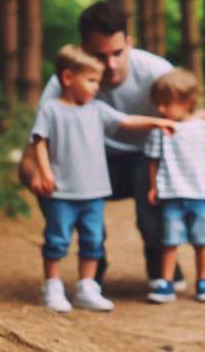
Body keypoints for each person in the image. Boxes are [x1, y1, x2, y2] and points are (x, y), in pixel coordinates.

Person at [19, 1, 205, 291]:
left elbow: (189, 109)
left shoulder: (156, 71)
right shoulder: (64, 84)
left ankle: (160, 261)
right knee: (45, 171)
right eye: (99, 56)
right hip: (91, 164)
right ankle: (93, 260)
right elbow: (34, 150)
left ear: (129, 42)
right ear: (83, 50)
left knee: (151, 181)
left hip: (147, 160)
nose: (111, 65)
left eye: (118, 53)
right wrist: (36, 176)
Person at [33, 45, 175, 312]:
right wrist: (45, 171)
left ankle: (87, 286)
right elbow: (39, 140)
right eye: (91, 80)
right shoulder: (51, 110)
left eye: (97, 81)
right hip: (62, 192)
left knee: (93, 240)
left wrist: (157, 123)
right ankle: (51, 285)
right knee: (57, 239)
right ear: (67, 78)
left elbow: (126, 121)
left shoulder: (97, 109)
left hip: (94, 192)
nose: (97, 87)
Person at [143, 68, 205, 304]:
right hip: (171, 194)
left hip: (199, 194)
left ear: (187, 102)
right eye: (158, 103)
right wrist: (154, 186)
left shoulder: (204, 127)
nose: (160, 109)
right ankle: (166, 282)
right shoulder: (161, 130)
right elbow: (154, 161)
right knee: (169, 241)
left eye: (166, 104)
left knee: (202, 241)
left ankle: (203, 281)